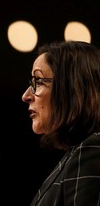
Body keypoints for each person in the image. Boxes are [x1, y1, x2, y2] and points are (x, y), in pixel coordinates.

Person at [22, 40, 100, 206]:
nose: (26, 95)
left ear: (72, 88)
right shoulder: (76, 153)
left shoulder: (93, 149)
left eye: (39, 80)